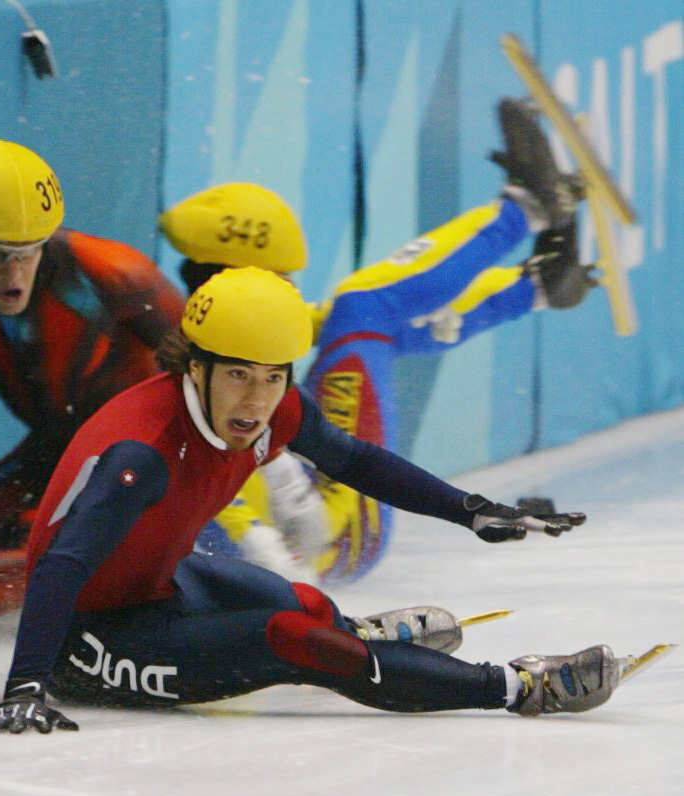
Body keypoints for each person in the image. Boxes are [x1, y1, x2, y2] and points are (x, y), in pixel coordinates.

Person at [0, 266, 617, 735]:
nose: (255, 402)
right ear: (193, 368)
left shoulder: (275, 408)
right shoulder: (140, 454)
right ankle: (519, 685)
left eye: (272, 377)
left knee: (311, 604)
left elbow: (356, 460)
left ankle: (354, 634)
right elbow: (62, 564)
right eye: (237, 376)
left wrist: (471, 509)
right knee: (295, 639)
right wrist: (25, 685)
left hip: (162, 581)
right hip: (86, 641)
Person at [160, 98, 594, 583]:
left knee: (371, 320)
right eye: (281, 277)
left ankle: (536, 281)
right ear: (244, 274)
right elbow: (196, 479)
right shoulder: (191, 360)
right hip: (313, 541)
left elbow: (363, 326)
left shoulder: (213, 331)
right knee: (365, 309)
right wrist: (278, 568)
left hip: (309, 529)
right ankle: (528, 216)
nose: (291, 286)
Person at [0, 140, 185, 615]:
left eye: (28, 253)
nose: (13, 274)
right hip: (58, 446)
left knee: (72, 545)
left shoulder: (115, 274)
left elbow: (212, 365)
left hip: (136, 448)